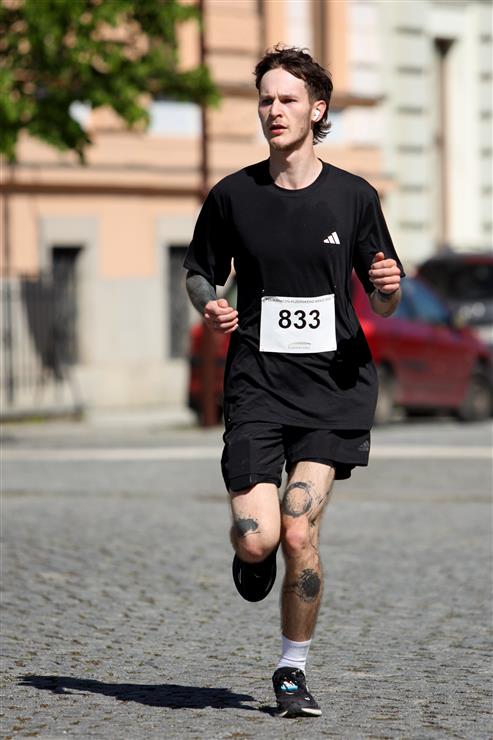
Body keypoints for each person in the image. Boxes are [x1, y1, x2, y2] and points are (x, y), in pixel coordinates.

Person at [184, 45, 404, 718]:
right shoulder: (233, 195)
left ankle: (291, 670)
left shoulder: (353, 196)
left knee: (299, 530)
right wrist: (209, 303)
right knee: (258, 536)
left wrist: (388, 288)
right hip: (257, 383)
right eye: (265, 99)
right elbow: (198, 272)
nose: (273, 110)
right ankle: (251, 559)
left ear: (317, 109)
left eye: (287, 99)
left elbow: (384, 297)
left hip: (333, 387)